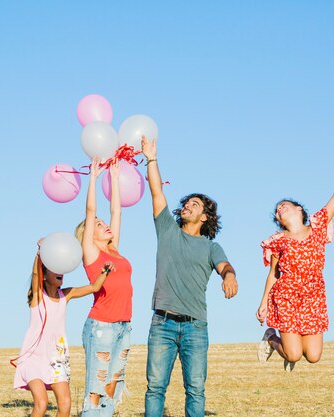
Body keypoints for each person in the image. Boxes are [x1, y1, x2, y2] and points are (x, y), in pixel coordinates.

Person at [140, 136, 238, 417]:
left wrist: (229, 277)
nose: (187, 206)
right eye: (186, 203)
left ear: (205, 217)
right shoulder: (167, 230)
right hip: (162, 323)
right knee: (156, 387)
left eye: (195, 205)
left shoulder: (211, 246)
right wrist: (151, 158)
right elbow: (157, 191)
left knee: (195, 389)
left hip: (196, 328)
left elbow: (225, 266)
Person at [256, 153, 334, 372]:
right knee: (294, 354)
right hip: (286, 296)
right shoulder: (278, 241)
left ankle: (287, 346)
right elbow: (273, 274)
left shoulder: (318, 227)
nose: (280, 209)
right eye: (277, 211)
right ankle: (271, 338)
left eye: (284, 205)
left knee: (314, 356)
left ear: (299, 210)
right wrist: (263, 303)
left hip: (313, 297)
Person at [13, 243, 115, 417]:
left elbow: (94, 288)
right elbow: (36, 273)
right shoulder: (38, 297)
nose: (60, 270)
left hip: (56, 358)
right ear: (45, 276)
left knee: (65, 404)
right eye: (54, 267)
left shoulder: (65, 295)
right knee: (41, 403)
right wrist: (41, 252)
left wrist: (105, 271)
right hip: (33, 358)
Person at [74, 157, 133, 416]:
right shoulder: (91, 254)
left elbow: (117, 211)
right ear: (89, 233)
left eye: (103, 223)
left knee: (111, 386)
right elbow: (90, 211)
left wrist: (115, 179)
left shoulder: (115, 249)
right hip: (101, 326)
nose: (105, 225)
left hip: (123, 326)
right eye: (99, 225)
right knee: (96, 389)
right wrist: (94, 178)